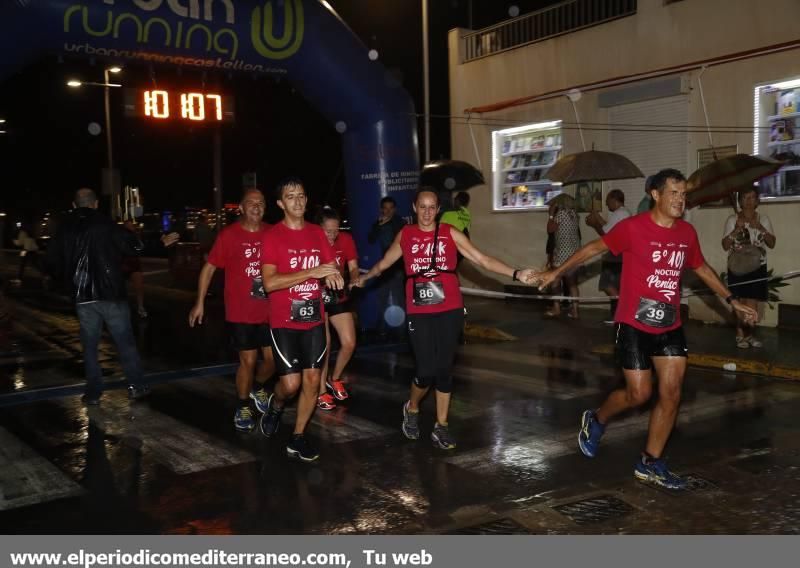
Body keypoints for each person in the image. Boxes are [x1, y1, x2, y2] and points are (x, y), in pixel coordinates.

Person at [530, 169, 757, 490]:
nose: (681, 200)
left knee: (672, 392)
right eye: (674, 193)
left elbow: (701, 267)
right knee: (640, 394)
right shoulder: (633, 228)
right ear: (656, 195)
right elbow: (593, 248)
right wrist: (556, 272)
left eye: (684, 194)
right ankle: (596, 419)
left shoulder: (686, 233)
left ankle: (650, 461)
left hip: (670, 323)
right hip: (634, 322)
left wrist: (731, 299)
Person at [355, 187, 537, 450]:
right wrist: (365, 277)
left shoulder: (450, 233)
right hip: (419, 310)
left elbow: (481, 259)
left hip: (449, 308)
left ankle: (442, 426)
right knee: (425, 370)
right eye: (423, 207)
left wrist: (517, 273)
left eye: (432, 207)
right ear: (415, 208)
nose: (427, 212)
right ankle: (413, 407)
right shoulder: (406, 234)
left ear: (438, 210)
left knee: (444, 370)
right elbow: (384, 263)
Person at [259, 178, 344, 462]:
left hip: (313, 318)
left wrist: (333, 274)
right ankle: (276, 403)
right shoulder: (273, 237)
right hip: (284, 321)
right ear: (281, 204)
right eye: (290, 196)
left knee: (311, 380)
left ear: (307, 201)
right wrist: (312, 272)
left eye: (301, 196)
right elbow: (270, 283)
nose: (297, 201)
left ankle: (297, 437)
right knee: (291, 386)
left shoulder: (317, 233)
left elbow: (329, 266)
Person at [46, 188, 151, 404]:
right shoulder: (106, 224)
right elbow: (133, 247)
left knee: (90, 346)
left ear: (75, 205)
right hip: (110, 292)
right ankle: (136, 386)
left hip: (83, 295)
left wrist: (65, 280)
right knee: (124, 342)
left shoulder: (64, 228)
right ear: (95, 204)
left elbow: (52, 261)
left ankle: (93, 392)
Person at [188, 189, 276, 432]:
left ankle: (257, 386)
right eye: (251, 203)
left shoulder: (273, 233)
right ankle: (243, 404)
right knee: (247, 361)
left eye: (261, 203)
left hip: (270, 310)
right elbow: (208, 269)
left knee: (273, 361)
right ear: (241, 207)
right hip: (241, 312)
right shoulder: (229, 236)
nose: (256, 207)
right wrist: (200, 302)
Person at [721, 186, 776, 349]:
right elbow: (725, 245)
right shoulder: (732, 219)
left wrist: (759, 227)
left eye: (752, 197)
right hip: (737, 265)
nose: (749, 201)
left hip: (757, 266)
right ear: (740, 201)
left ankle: (750, 335)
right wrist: (737, 228)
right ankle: (740, 335)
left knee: (752, 302)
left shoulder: (763, 219)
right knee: (738, 302)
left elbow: (772, 243)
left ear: (758, 201)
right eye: (745, 197)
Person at [317, 207, 359, 410]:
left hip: (337, 294)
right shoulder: (312, 243)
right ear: (319, 229)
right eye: (328, 231)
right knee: (324, 345)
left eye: (336, 230)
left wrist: (355, 277)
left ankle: (334, 379)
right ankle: (320, 392)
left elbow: (352, 266)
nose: (333, 235)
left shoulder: (346, 240)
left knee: (349, 342)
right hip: (316, 296)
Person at [586, 189, 631, 323]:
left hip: (615, 254)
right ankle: (620, 315)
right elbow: (609, 228)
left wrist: (594, 223)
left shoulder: (619, 213)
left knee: (607, 284)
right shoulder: (623, 213)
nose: (607, 205)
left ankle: (618, 315)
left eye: (608, 202)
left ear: (614, 200)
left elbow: (606, 235)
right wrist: (597, 217)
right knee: (617, 286)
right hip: (621, 255)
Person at [368, 196, 406, 333]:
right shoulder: (379, 222)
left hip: (397, 266)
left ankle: (402, 330)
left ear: (394, 209)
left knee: (399, 298)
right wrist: (379, 225)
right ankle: (383, 328)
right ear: (381, 209)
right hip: (384, 266)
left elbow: (403, 238)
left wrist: (389, 222)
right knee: (382, 297)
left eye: (391, 208)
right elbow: (371, 239)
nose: (388, 211)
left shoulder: (400, 222)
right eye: (385, 208)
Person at [545, 198, 581, 318]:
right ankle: (575, 311)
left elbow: (550, 229)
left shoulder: (561, 214)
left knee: (555, 280)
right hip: (575, 253)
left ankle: (556, 308)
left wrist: (550, 215)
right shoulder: (575, 215)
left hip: (562, 254)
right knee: (572, 284)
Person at [121, 220, 147, 318]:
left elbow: (141, 247)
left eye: (132, 225)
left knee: (139, 286)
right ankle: (125, 308)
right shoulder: (121, 235)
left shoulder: (135, 235)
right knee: (122, 287)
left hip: (133, 262)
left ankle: (140, 307)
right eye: (130, 225)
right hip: (123, 262)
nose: (132, 227)